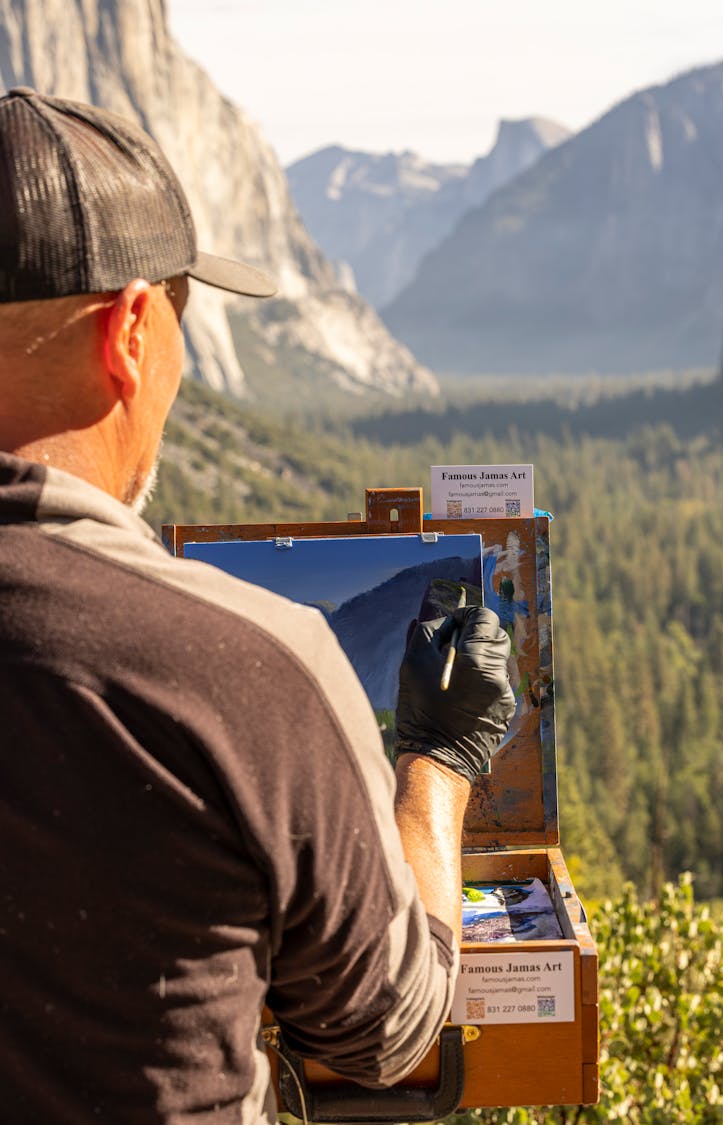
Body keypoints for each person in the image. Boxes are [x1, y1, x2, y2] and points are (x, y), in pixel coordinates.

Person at [0, 87, 516, 1123]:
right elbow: (390, 1029)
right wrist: (440, 767)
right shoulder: (249, 665)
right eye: (185, 317)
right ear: (133, 330)